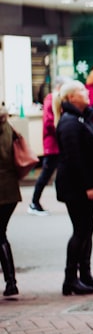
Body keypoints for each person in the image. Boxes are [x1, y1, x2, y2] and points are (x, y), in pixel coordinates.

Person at [55, 81, 93, 296]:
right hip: (76, 188)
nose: (85, 92)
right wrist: (88, 186)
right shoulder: (69, 123)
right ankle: (70, 279)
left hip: (78, 187)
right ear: (70, 98)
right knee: (81, 230)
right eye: (80, 90)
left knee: (87, 229)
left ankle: (85, 275)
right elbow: (74, 158)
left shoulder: (79, 118)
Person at [28, 76, 69, 216]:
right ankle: (34, 202)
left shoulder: (53, 99)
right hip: (52, 145)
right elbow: (50, 123)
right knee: (45, 175)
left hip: (55, 144)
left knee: (51, 174)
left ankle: (36, 202)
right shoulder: (51, 100)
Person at [0, 104, 20, 297]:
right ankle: (11, 281)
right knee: (1, 233)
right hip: (10, 189)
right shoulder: (8, 125)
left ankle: (11, 281)